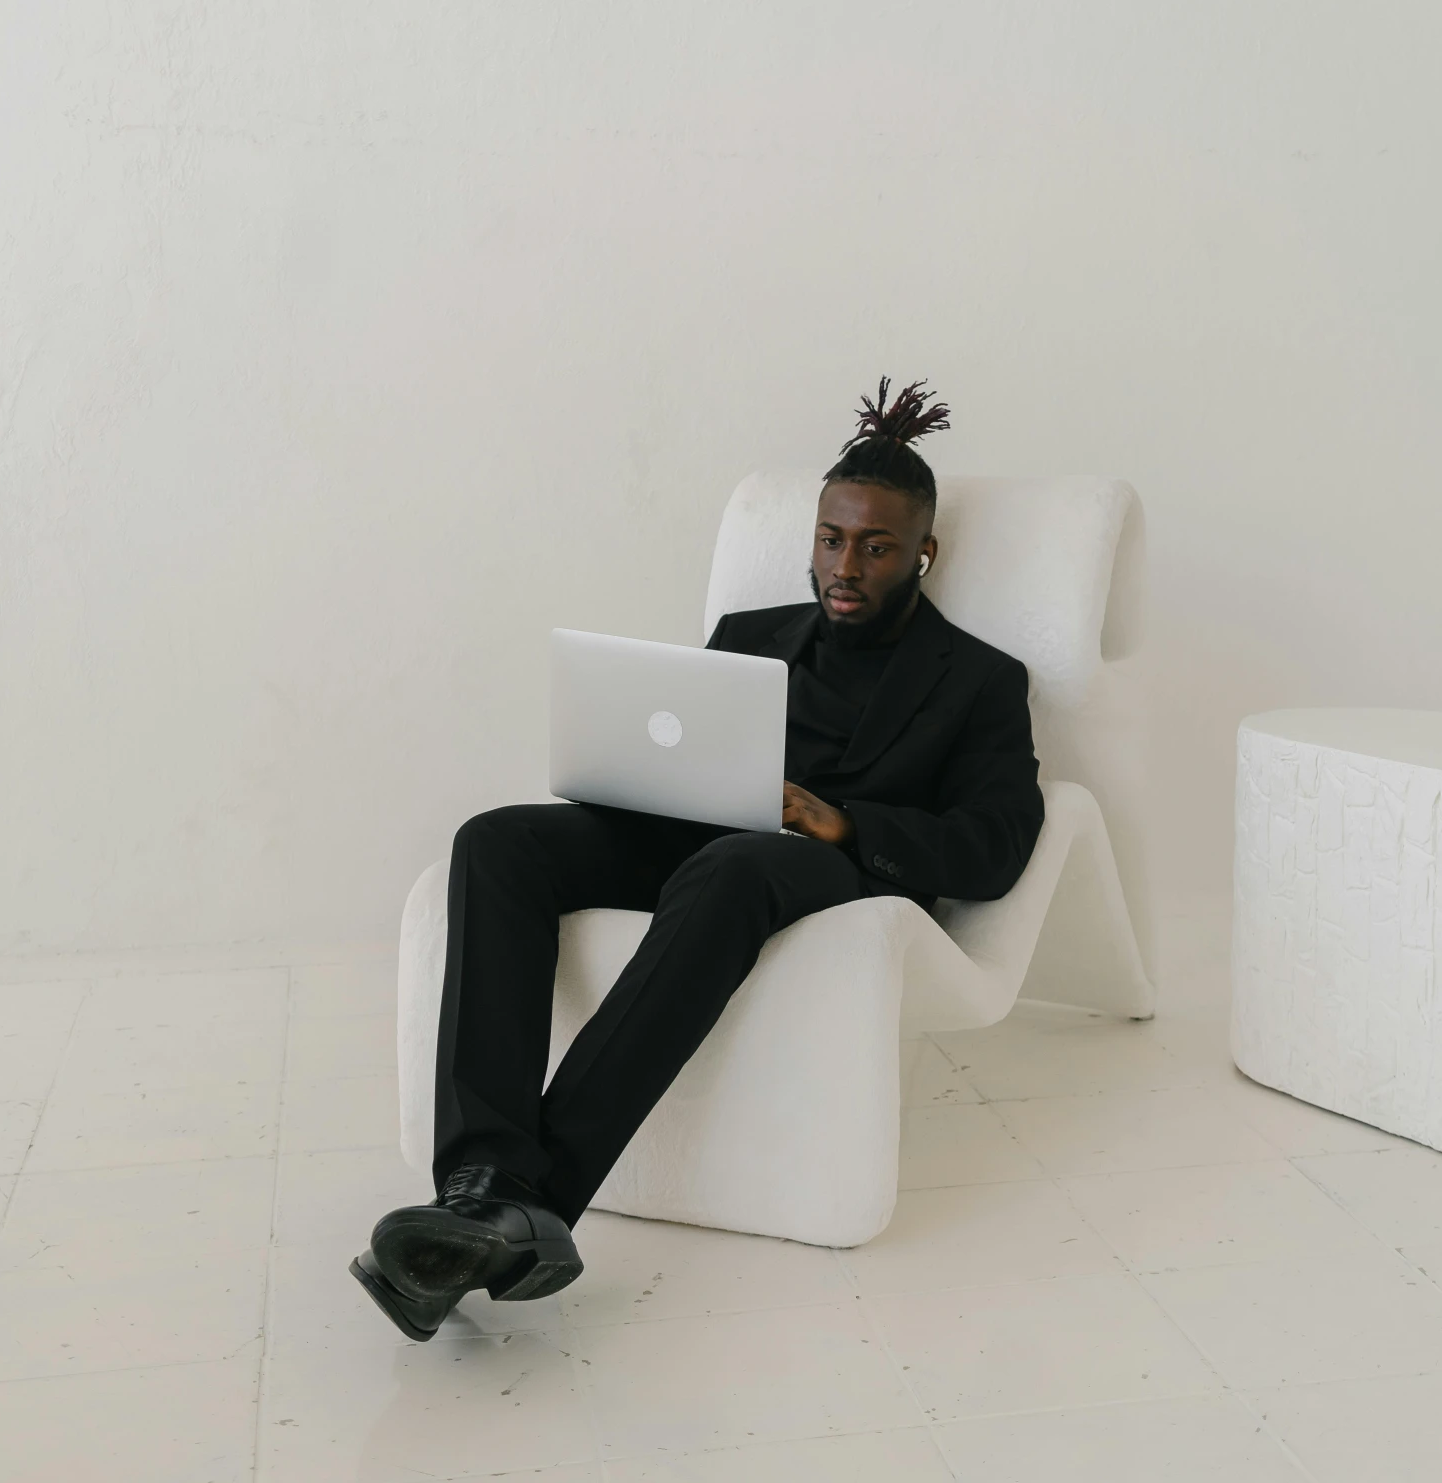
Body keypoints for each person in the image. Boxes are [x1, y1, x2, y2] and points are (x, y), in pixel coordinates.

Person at [351, 378, 1046, 1339]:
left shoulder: (980, 680)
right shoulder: (748, 637)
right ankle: (483, 1184)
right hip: (694, 834)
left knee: (733, 869)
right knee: (498, 840)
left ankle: (524, 1200)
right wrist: (626, 767)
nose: (846, 564)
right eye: (831, 538)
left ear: (922, 553)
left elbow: (1000, 843)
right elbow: (681, 751)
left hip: (823, 868)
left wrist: (846, 824)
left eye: (876, 546)